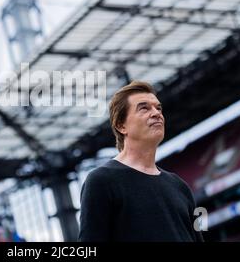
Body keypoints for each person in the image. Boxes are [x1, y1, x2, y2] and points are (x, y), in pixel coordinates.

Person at [79, 81, 204, 242]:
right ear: (121, 125)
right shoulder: (101, 181)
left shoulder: (180, 186)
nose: (156, 113)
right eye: (144, 108)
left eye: (158, 108)